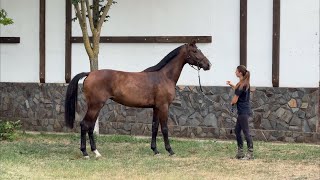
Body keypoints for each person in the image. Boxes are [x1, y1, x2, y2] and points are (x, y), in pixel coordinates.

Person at [226, 65, 254, 160]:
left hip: (242, 111)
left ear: (240, 73)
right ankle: (240, 152)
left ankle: (250, 153)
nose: (235, 72)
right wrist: (231, 85)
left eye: (236, 71)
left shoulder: (241, 85)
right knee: (237, 131)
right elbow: (238, 90)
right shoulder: (245, 83)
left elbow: (235, 99)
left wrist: (232, 102)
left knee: (246, 132)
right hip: (244, 110)